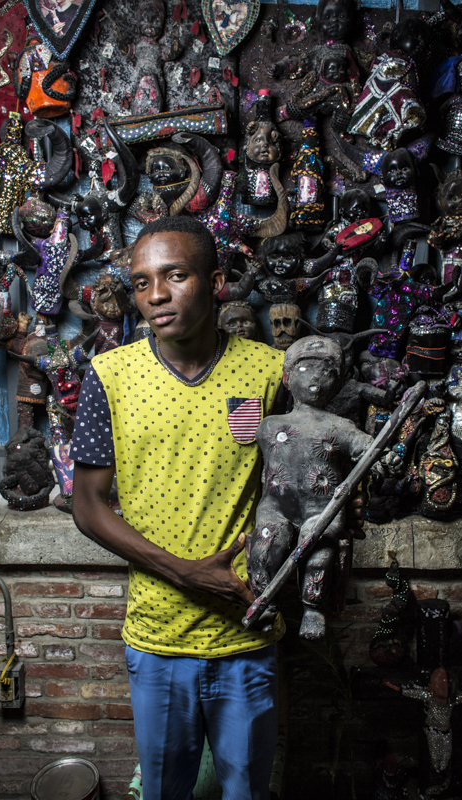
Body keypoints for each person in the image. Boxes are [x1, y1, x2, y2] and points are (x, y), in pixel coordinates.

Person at [71, 216, 364, 800]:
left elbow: (296, 475)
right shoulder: (110, 375)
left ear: (218, 281)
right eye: (141, 282)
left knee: (247, 792)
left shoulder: (267, 371)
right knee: (165, 792)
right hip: (157, 639)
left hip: (248, 630)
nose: (155, 295)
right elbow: (88, 506)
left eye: (175, 275)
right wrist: (184, 571)